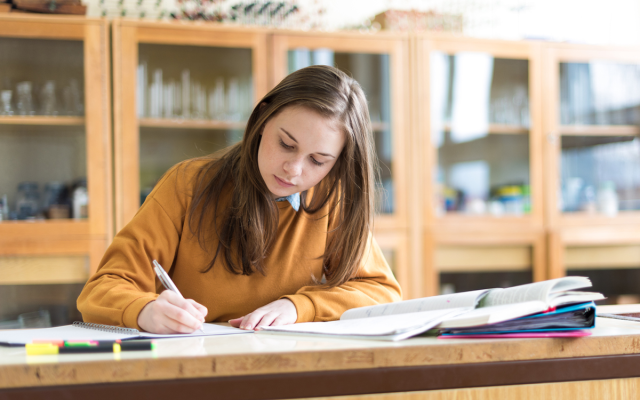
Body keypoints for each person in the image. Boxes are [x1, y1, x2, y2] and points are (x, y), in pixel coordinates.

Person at [77, 65, 402, 334]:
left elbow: (382, 293)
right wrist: (144, 310)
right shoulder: (187, 184)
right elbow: (101, 289)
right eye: (286, 144)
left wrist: (299, 306)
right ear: (262, 119)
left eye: (318, 161)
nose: (294, 169)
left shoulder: (332, 199)